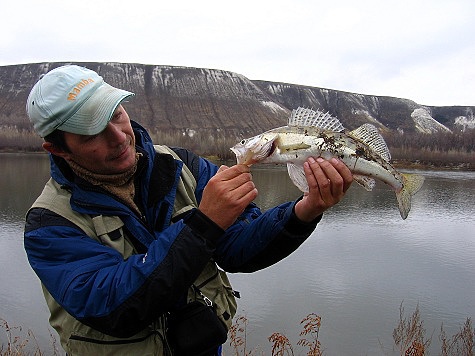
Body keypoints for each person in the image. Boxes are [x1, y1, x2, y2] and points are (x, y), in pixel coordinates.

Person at [24, 64, 353, 355]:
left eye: (115, 114)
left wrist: (304, 210)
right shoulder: (49, 225)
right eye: (92, 132)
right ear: (57, 148)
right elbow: (114, 308)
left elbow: (238, 251)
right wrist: (203, 223)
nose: (119, 137)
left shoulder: (184, 166)